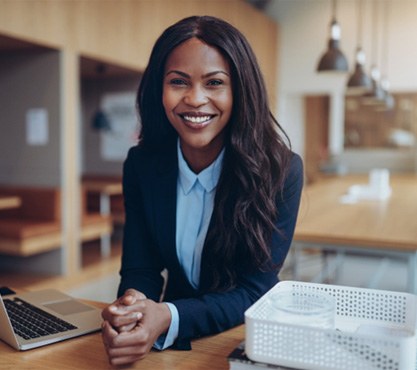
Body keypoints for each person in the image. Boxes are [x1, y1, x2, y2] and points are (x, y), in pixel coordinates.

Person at [101, 15, 303, 366]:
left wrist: (167, 316)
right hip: (171, 343)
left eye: (214, 83)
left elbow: (256, 289)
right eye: (178, 81)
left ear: (239, 91)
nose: (195, 99)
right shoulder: (142, 164)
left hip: (241, 339)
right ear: (159, 91)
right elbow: (141, 267)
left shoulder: (280, 171)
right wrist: (131, 311)